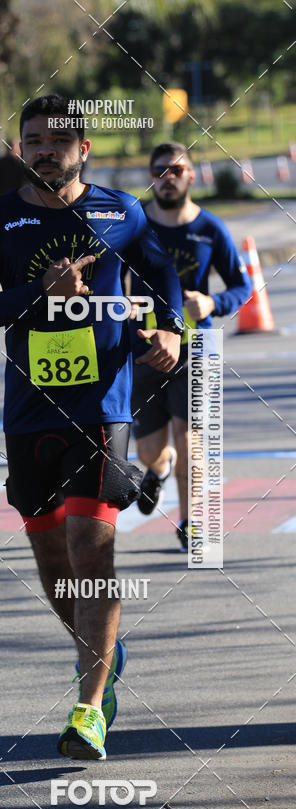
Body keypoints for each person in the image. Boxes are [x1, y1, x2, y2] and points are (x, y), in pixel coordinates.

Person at [0, 94, 183, 761]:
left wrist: (171, 328)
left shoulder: (121, 212)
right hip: (29, 411)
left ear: (84, 149)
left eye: (57, 140)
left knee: (90, 550)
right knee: (54, 561)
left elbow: (162, 273)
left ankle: (90, 707)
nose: (45, 150)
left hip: (101, 406)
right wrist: (35, 295)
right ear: (20, 149)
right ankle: (101, 651)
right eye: (33, 141)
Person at [130, 142, 251, 551]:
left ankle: (191, 523)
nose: (168, 178)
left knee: (190, 442)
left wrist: (213, 302)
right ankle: (158, 470)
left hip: (196, 349)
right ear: (151, 177)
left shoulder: (210, 229)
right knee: (149, 450)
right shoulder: (132, 225)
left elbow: (242, 286)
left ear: (192, 176)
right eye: (160, 171)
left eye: (177, 170)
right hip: (144, 349)